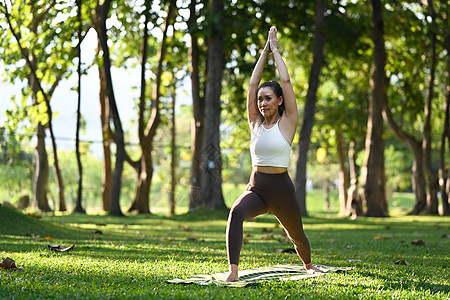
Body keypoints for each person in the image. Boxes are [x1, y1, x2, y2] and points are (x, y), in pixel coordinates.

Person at [225, 26, 323, 282]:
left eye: (268, 98)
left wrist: (276, 51)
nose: (262, 103)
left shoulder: (288, 122)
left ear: (279, 101)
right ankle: (233, 271)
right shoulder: (255, 123)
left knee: (296, 235)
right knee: (236, 213)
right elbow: (252, 83)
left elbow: (287, 82)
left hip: (281, 190)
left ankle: (309, 264)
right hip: (256, 189)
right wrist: (263, 52)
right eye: (260, 100)